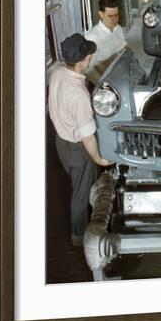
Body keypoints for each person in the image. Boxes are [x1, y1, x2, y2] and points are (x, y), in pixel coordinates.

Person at [48, 33, 112, 246]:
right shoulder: (78, 95)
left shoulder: (57, 72)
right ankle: (78, 236)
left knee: (78, 185)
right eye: (88, 56)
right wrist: (98, 158)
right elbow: (87, 137)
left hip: (61, 142)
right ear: (82, 60)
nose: (91, 58)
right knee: (81, 193)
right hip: (77, 149)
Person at [84, 0, 127, 85]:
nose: (114, 20)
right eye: (110, 16)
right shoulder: (92, 37)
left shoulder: (118, 28)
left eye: (116, 15)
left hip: (120, 77)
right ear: (101, 14)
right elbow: (88, 71)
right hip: (103, 84)